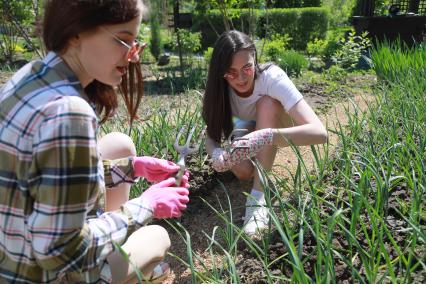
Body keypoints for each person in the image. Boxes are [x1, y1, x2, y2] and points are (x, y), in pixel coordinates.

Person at [0, 0, 190, 283]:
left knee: (118, 144)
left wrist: (132, 168)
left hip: (12, 253)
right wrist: (147, 205)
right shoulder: (70, 112)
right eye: (123, 41)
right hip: (44, 273)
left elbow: (45, 178)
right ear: (76, 31)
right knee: (156, 236)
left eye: (135, 42)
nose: (133, 56)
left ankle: (112, 250)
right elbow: (59, 253)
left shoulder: (31, 76)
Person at [203, 30, 327, 237]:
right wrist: (216, 153)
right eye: (231, 73)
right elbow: (210, 136)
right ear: (221, 72)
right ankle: (258, 159)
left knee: (267, 103)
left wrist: (266, 136)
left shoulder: (272, 78)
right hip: (245, 128)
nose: (241, 78)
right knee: (242, 171)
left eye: (247, 68)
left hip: (277, 125)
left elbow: (320, 133)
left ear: (255, 60)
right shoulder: (219, 91)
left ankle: (258, 197)